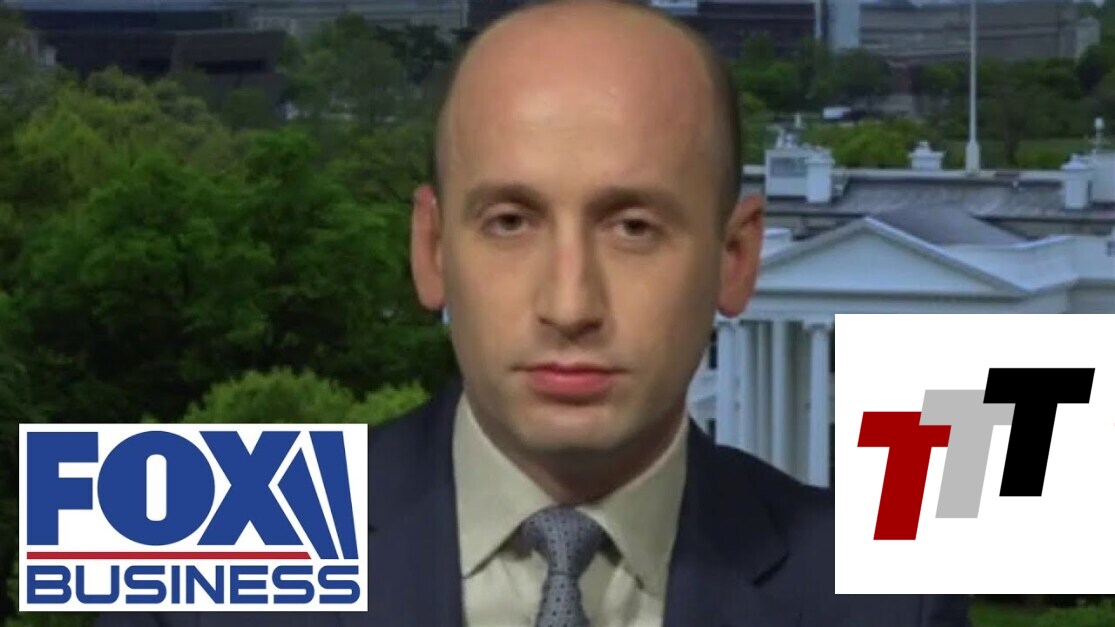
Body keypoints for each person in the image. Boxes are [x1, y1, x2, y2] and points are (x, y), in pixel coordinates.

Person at [97, 0, 972, 625]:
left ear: (733, 258)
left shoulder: (888, 597)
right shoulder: (192, 553)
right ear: (431, 250)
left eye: (633, 227)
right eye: (511, 222)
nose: (569, 305)